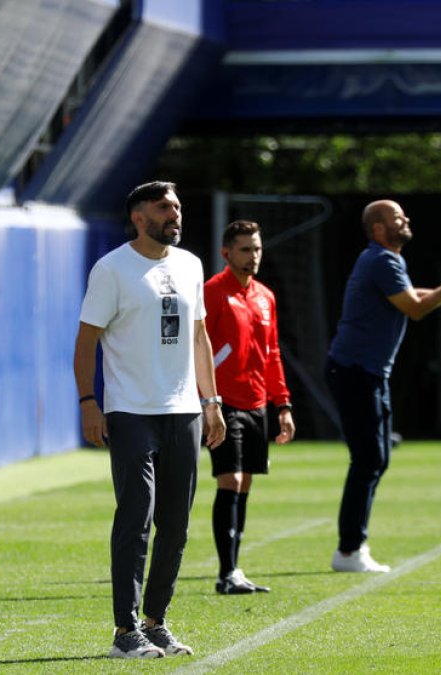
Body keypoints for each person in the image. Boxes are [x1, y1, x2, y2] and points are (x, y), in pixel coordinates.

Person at [73, 180, 227, 659]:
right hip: (130, 411)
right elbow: (85, 342)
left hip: (184, 411)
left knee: (176, 525)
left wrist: (211, 400)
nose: (174, 215)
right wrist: (88, 401)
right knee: (136, 517)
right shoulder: (112, 268)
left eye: (177, 207)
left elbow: (199, 337)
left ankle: (156, 621)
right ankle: (124, 631)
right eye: (164, 208)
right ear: (139, 217)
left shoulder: (190, 264)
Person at [326, 199, 441, 574]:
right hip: (355, 370)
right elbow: (415, 309)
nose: (406, 221)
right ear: (378, 229)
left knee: (378, 457)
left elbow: (412, 297)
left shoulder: (386, 261)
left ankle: (353, 547)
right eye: (397, 218)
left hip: (367, 371)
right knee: (369, 458)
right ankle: (349, 550)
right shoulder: (382, 259)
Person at [202, 220, 295, 595]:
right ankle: (226, 574)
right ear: (226, 253)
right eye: (245, 249)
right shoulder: (212, 292)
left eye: (256, 248)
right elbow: (199, 347)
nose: (253, 256)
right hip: (224, 403)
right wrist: (206, 401)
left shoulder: (265, 297)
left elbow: (271, 354)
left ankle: (235, 571)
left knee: (246, 483)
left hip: (258, 402)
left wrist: (282, 404)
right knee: (231, 479)